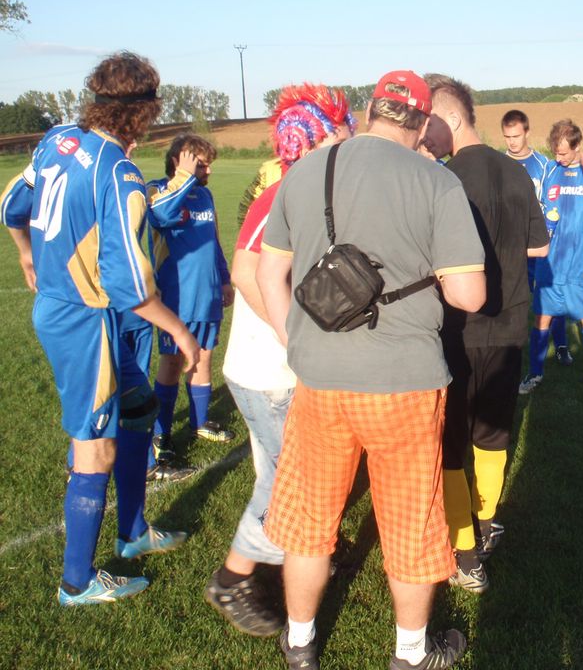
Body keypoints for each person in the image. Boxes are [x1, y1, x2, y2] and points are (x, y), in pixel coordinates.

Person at [257, 70, 485, 670]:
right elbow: (468, 294)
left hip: (319, 378)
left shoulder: (307, 169)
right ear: (422, 123)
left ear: (368, 112)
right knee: (411, 522)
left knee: (310, 518)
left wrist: (294, 342)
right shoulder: (437, 181)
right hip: (405, 383)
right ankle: (410, 653)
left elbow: (267, 273)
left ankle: (300, 643)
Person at [0, 51, 197, 605]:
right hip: (83, 320)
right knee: (94, 449)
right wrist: (181, 333)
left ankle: (132, 533)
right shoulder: (120, 173)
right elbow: (129, 284)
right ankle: (77, 582)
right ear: (144, 112)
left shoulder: (58, 140)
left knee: (138, 409)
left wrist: (24, 252)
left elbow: (12, 203)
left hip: (77, 310)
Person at [204, 85, 355, 637]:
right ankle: (234, 577)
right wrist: (294, 337)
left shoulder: (298, 187)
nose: (352, 135)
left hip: (268, 368)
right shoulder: (286, 192)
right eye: (344, 127)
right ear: (321, 135)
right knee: (288, 483)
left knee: (281, 475)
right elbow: (246, 273)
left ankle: (300, 553)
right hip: (271, 371)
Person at [426, 76, 549, 593]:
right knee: (492, 435)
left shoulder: (445, 179)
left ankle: (465, 553)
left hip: (458, 328)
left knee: (453, 440)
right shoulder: (517, 172)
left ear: (453, 118)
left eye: (428, 122)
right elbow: (540, 247)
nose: (422, 134)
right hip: (509, 321)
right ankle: (487, 519)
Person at [148, 134, 235, 464]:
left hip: (207, 293)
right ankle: (161, 434)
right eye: (201, 164)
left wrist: (223, 279)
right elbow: (160, 216)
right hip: (176, 298)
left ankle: (200, 422)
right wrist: (183, 178)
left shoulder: (205, 195)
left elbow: (214, 242)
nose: (208, 170)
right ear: (179, 161)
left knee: (203, 358)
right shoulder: (158, 190)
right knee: (172, 363)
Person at [520, 119, 583, 395]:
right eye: (555, 152)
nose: (559, 158)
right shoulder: (550, 170)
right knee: (541, 319)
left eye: (564, 152)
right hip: (549, 264)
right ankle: (535, 373)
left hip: (580, 264)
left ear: (578, 146)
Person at [501, 109, 571, 364]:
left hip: (539, 246)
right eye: (507, 136)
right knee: (510, 300)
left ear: (527, 133)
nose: (512, 142)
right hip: (510, 248)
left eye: (516, 136)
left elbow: (553, 204)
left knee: (551, 297)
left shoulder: (544, 165)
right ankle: (510, 347)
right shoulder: (498, 164)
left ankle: (561, 344)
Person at [236, 84, 359, 224]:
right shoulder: (273, 195)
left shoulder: (348, 191)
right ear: (306, 152)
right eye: (339, 145)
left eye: (350, 144)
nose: (349, 153)